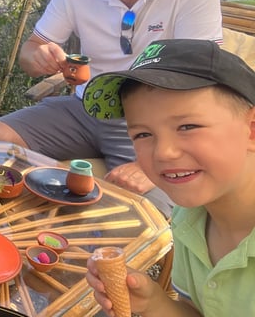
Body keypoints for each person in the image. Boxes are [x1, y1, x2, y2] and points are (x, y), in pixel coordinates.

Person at [0, 0, 223, 216]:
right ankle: (17, 226)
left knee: (146, 212)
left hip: (156, 121)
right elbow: (31, 51)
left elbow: (200, 76)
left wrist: (151, 163)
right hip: (84, 109)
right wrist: (39, 58)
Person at [81, 39, 255, 315]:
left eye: (187, 126)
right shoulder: (190, 218)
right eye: (143, 134)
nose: (164, 152)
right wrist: (154, 303)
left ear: (251, 129)